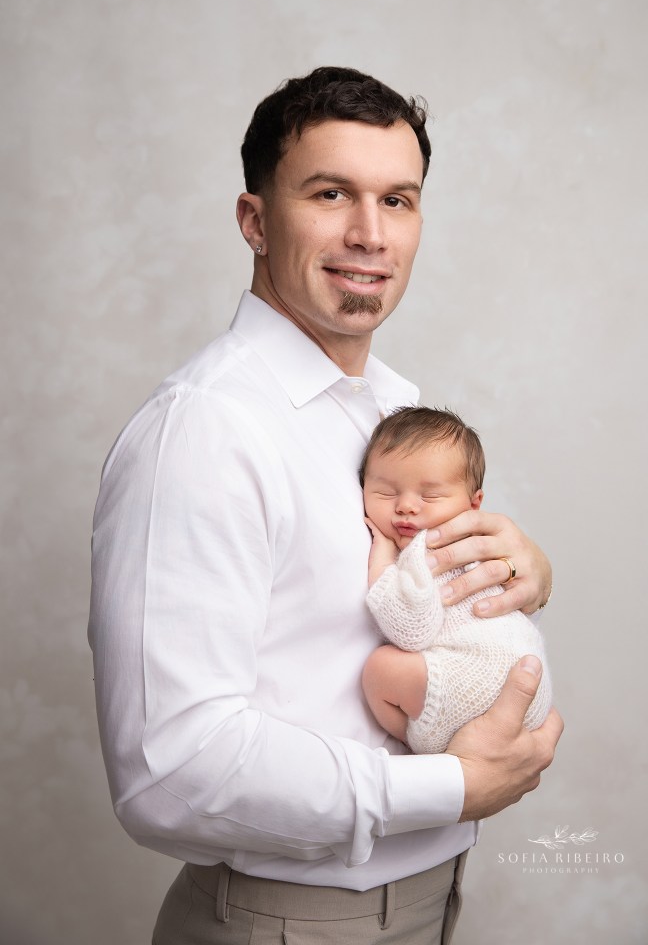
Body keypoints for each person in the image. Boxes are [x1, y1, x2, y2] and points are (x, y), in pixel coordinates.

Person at [89, 66, 562, 945]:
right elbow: (170, 772)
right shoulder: (204, 432)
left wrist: (525, 576)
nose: (368, 233)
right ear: (255, 221)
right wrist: (450, 789)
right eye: (331, 192)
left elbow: (389, 622)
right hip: (291, 922)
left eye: (399, 200)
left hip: (426, 898)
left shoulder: (390, 411)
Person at [360, 405, 552, 755]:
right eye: (386, 493)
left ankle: (426, 743)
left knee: (380, 670)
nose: (406, 507)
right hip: (529, 681)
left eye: (429, 496)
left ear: (474, 503)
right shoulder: (487, 545)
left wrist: (383, 557)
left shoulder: (429, 547)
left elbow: (410, 630)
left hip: (477, 681)